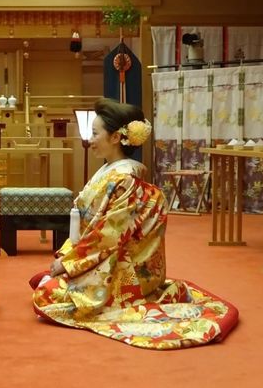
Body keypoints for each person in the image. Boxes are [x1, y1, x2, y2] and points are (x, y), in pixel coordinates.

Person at [30, 98, 238, 350]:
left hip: (120, 265)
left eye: (95, 133)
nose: (90, 140)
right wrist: (68, 257)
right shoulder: (113, 172)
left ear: (116, 137)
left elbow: (109, 234)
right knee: (48, 284)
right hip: (102, 256)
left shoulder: (124, 179)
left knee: (48, 295)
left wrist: (69, 263)